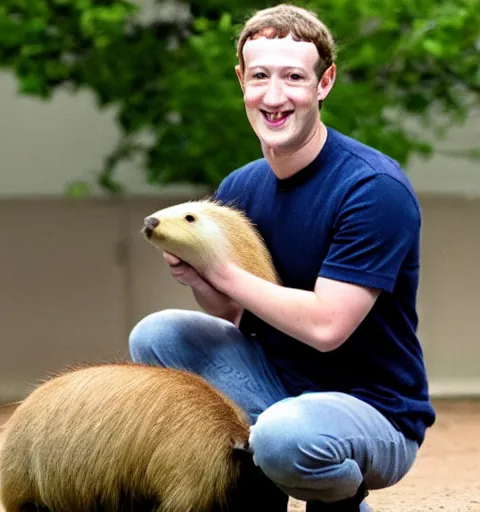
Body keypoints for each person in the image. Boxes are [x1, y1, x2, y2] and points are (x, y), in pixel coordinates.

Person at [129, 4, 436, 511]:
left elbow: (326, 327)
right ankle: (252, 486)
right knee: (158, 335)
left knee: (282, 436)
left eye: (294, 77)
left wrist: (221, 269)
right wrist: (199, 277)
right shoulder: (241, 187)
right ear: (241, 81)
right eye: (260, 77)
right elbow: (234, 314)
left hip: (372, 411)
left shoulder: (372, 188)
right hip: (277, 389)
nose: (274, 96)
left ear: (325, 82)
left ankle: (340, 497)